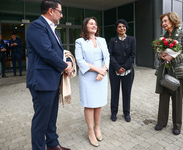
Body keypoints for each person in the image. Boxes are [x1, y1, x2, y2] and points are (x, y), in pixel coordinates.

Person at [26, 0, 73, 150]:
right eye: (60, 11)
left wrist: (67, 60)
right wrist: (65, 66)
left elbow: (59, 51)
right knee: (41, 122)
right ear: (51, 11)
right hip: (42, 82)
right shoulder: (36, 26)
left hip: (52, 81)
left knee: (51, 118)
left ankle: (52, 145)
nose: (62, 15)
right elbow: (47, 52)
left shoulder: (53, 29)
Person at [155, 12, 183, 135]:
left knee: (177, 99)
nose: (163, 24)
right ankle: (161, 122)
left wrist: (172, 57)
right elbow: (159, 53)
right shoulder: (162, 37)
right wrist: (160, 55)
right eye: (162, 22)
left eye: (165, 21)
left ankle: (177, 125)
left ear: (172, 20)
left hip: (179, 73)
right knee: (164, 97)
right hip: (165, 71)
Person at [75, 17, 109, 147]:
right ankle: (90, 131)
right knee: (89, 104)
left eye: (95, 23)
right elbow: (80, 60)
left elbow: (107, 57)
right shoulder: (80, 42)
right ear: (85, 26)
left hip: (101, 76)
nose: (94, 25)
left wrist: (103, 71)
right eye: (91, 23)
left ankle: (97, 127)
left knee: (99, 103)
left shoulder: (102, 40)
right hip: (88, 76)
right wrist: (98, 70)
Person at [109, 19, 136, 122]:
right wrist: (117, 67)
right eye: (119, 26)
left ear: (126, 28)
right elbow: (110, 55)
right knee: (114, 92)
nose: (122, 28)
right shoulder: (112, 40)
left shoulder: (132, 39)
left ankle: (126, 113)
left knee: (127, 92)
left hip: (128, 71)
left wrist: (124, 67)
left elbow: (132, 55)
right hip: (114, 71)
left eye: (124, 26)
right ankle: (114, 113)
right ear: (116, 29)